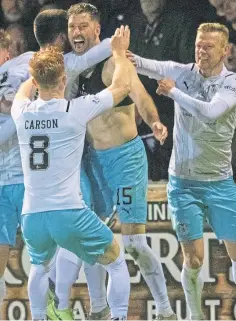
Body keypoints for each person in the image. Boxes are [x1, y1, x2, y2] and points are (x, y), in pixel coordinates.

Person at [56, 3, 175, 321]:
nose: (76, 32)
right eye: (72, 27)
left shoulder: (115, 61)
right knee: (92, 237)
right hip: (92, 161)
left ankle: (164, 309)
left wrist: (154, 122)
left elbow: (141, 96)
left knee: (134, 242)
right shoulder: (72, 70)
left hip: (124, 159)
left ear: (97, 29)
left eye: (83, 26)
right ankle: (99, 309)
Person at [11, 26, 132, 321]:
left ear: (38, 82)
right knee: (116, 261)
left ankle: (39, 317)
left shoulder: (22, 112)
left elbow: (21, 93)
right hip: (68, 212)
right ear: (64, 79)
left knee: (39, 267)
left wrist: (35, 73)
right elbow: (121, 88)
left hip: (32, 216)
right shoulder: (75, 110)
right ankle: (117, 316)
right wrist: (118, 53)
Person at [130, 22, 236, 320]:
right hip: (183, 184)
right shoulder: (182, 72)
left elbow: (211, 112)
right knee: (193, 258)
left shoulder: (231, 84)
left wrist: (174, 93)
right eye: (198, 45)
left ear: (225, 50)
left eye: (209, 47)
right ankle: (195, 316)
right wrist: (120, 53)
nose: (201, 51)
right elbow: (146, 65)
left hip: (220, 183)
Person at [0, 30, 33, 318]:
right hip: (0, 185)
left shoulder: (22, 73)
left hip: (26, 180)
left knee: (42, 256)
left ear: (7, 54)